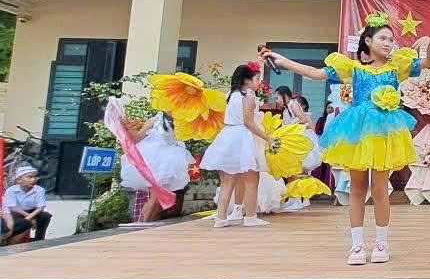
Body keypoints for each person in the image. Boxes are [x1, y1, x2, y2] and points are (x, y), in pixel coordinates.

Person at [262, 12, 430, 265]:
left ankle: (381, 243)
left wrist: (428, 43)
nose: (388, 43)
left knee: (380, 189)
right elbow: (315, 73)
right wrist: (284, 61)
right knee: (357, 188)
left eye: (391, 40)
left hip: (384, 133)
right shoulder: (353, 69)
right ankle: (357, 245)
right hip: (357, 131)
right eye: (383, 38)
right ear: (368, 41)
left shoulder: (396, 68)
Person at [200, 63, 275, 227]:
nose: (259, 82)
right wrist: (268, 138)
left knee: (228, 180)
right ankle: (250, 217)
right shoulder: (247, 97)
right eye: (257, 79)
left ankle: (221, 218)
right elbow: (249, 123)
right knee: (252, 178)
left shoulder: (231, 95)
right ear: (247, 81)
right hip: (242, 137)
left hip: (228, 136)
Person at [120, 111, 194, 223]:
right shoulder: (155, 120)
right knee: (155, 196)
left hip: (170, 161)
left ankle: (145, 221)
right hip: (152, 160)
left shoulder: (183, 121)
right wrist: (127, 130)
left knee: (157, 198)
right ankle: (144, 221)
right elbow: (137, 138)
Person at [274, 89, 323, 212]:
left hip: (298, 138)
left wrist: (289, 127)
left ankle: (297, 200)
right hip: (292, 138)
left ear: (284, 96)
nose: (277, 101)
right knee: (293, 169)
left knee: (297, 169)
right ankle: (294, 198)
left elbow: (303, 119)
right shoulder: (287, 108)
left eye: (277, 97)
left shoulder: (293, 104)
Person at [1, 166, 51, 241]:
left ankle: (39, 239)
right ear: (19, 180)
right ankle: (6, 239)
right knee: (16, 224)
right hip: (16, 213)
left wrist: (29, 218)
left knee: (45, 216)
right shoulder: (11, 190)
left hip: (33, 211)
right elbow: (13, 208)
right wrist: (29, 218)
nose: (33, 179)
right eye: (29, 177)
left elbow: (40, 208)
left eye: (35, 177)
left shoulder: (40, 190)